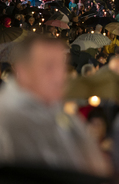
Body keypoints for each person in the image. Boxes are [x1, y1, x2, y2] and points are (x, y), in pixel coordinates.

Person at [0, 35, 110, 176]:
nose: (59, 76)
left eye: (61, 66)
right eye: (49, 67)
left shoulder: (58, 109)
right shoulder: (7, 118)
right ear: (23, 70)